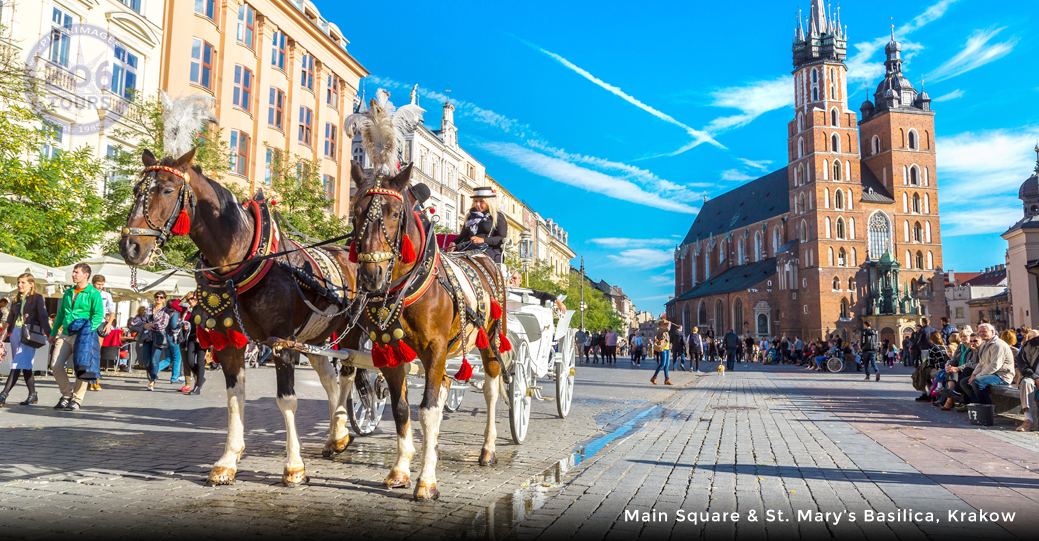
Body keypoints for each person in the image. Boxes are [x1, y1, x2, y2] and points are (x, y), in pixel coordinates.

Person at [48, 263, 105, 411]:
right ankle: (66, 395)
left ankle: (77, 399)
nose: (73, 275)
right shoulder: (68, 292)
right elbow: (60, 314)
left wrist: (87, 330)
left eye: (76, 272)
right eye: (73, 272)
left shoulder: (93, 293)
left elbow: (98, 315)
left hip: (83, 335)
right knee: (55, 365)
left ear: (86, 275)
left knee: (81, 367)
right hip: (66, 333)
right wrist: (53, 333)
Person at [0, 273, 51, 407]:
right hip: (16, 334)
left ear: (31, 284)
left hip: (29, 334)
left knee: (17, 364)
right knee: (25, 365)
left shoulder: (37, 298)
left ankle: (3, 395)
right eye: (18, 282)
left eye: (23, 282)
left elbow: (43, 317)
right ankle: (33, 394)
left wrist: (50, 334)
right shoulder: (16, 299)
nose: (19, 285)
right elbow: (8, 322)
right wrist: (1, 339)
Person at [449, 187, 508, 263]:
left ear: (489, 202)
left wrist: (483, 240)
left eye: (481, 201)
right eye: (476, 201)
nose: (477, 204)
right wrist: (454, 242)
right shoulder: (470, 217)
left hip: (490, 250)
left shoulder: (498, 216)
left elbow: (501, 238)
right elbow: (463, 235)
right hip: (470, 248)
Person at [140, 291, 182, 391]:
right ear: (154, 298)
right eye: (157, 297)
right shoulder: (148, 309)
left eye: (161, 297)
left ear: (164, 299)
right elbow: (142, 321)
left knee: (155, 360)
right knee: (146, 361)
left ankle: (152, 381)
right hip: (147, 337)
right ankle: (153, 376)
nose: (159, 299)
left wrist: (150, 325)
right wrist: (145, 325)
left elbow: (163, 324)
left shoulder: (166, 310)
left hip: (158, 338)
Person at [968, 323, 1014, 405]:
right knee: (964, 382)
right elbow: (981, 363)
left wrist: (977, 377)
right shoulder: (984, 344)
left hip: (1002, 376)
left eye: (984, 331)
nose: (982, 334)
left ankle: (988, 407)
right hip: (991, 374)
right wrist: (973, 374)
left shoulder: (998, 345)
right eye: (980, 332)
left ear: (992, 332)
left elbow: (995, 366)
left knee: (977, 382)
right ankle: (976, 405)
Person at [88, 275, 116, 391]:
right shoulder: (87, 293)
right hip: (88, 323)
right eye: (98, 284)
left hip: (100, 324)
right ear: (93, 283)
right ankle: (89, 379)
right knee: (88, 352)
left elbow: (112, 311)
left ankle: (95, 379)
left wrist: (109, 324)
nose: (100, 286)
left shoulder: (106, 295)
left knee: (96, 352)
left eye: (102, 284)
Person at [178, 293, 207, 395]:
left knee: (200, 362)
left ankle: (197, 387)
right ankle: (200, 378)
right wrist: (186, 326)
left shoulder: (206, 308)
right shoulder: (193, 309)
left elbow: (209, 322)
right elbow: (191, 323)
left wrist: (203, 332)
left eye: (192, 298)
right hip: (192, 337)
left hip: (203, 338)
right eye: (188, 300)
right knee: (189, 361)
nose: (190, 301)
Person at [1013, 330, 1039, 432]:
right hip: (1032, 377)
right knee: (1026, 383)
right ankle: (1028, 419)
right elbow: (1022, 364)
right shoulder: (1030, 345)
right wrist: (1036, 377)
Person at [651, 319, 672, 385]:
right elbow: (668, 329)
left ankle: (667, 379)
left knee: (667, 365)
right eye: (666, 324)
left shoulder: (665, 332)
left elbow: (667, 341)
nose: (666, 325)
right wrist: (669, 324)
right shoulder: (660, 330)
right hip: (663, 349)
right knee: (662, 364)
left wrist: (670, 350)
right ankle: (654, 377)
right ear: (663, 325)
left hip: (667, 349)